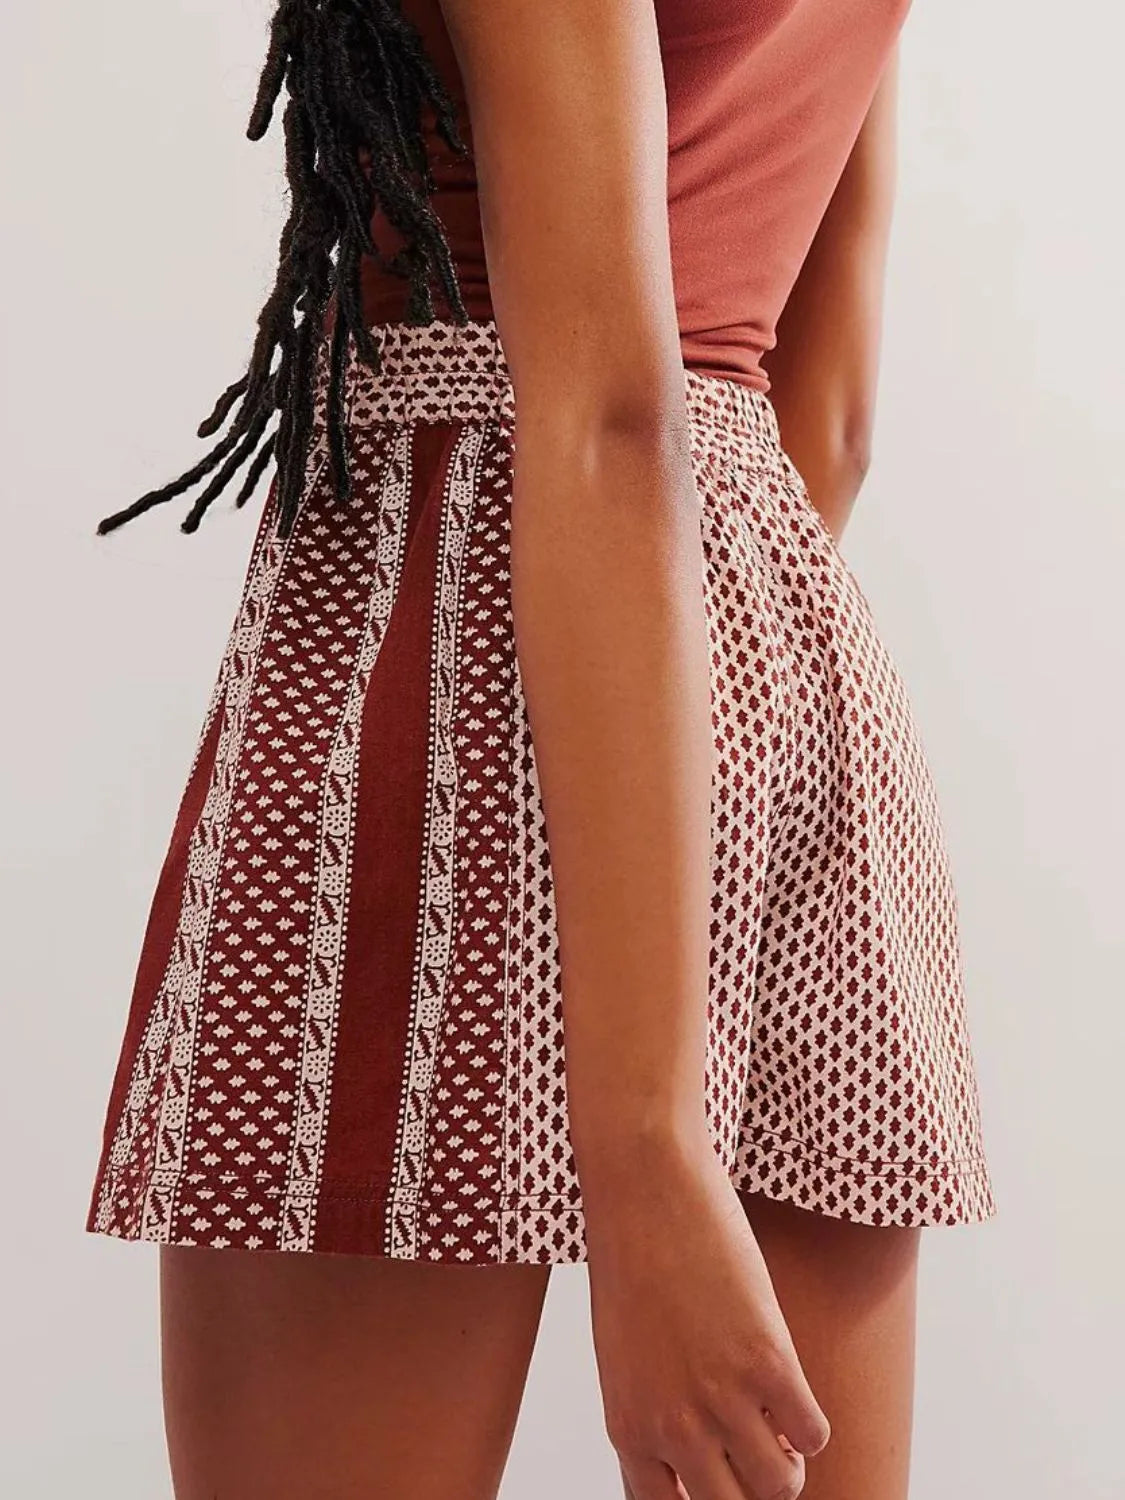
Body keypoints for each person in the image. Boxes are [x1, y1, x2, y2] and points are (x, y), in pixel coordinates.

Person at [88, 2, 994, 1497]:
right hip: (777, 675)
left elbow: (605, 420)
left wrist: (647, 1143)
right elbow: (828, 420)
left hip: (433, 640)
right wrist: (694, 737)